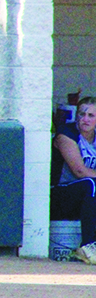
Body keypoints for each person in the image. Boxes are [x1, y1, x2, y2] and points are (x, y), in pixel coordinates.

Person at [51, 97, 96, 264]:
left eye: (91, 115)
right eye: (82, 114)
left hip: (86, 199)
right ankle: (88, 246)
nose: (85, 119)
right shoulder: (66, 135)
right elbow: (79, 171)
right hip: (59, 194)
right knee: (90, 184)